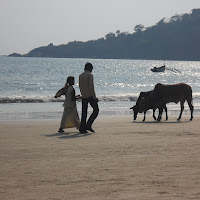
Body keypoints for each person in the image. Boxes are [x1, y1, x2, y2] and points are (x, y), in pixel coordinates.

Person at [79, 62, 99, 134]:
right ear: (90, 68)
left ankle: (82, 127)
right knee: (96, 110)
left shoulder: (80, 75)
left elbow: (80, 86)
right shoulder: (90, 75)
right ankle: (88, 125)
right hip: (90, 96)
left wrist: (82, 94)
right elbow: (91, 87)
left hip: (84, 95)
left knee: (84, 113)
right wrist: (94, 97)